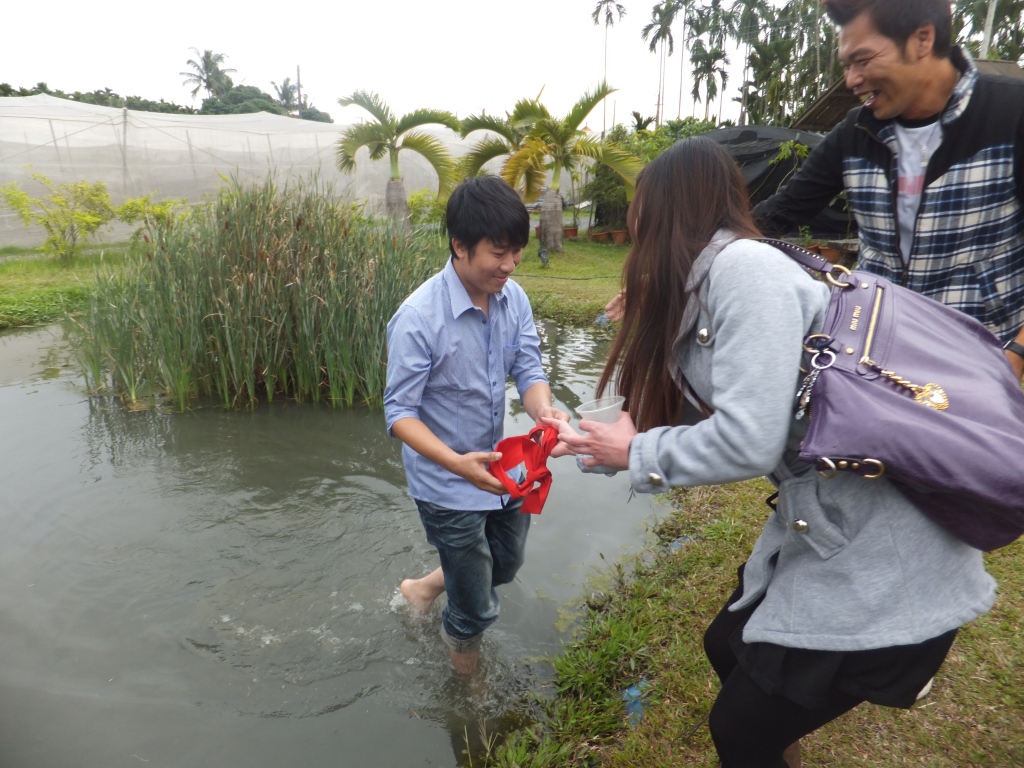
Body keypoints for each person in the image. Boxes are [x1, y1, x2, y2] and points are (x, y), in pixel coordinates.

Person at [547, 137, 996, 767]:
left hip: (883, 544)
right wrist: (613, 437)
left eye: (639, 208)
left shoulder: (745, 272)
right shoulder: (712, 281)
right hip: (829, 519)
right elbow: (715, 401)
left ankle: (861, 677)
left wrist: (638, 453)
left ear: (667, 209)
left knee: (738, 730)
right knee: (726, 647)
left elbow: (749, 438)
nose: (634, 225)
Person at [751, 0, 1024, 381]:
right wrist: (683, 258)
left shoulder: (1011, 113)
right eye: (847, 65)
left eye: (862, 60)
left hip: (977, 371)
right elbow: (775, 216)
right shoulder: (855, 133)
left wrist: (1016, 352)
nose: (851, 80)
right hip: (878, 366)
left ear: (922, 39)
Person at [384, 175, 568, 676]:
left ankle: (422, 588)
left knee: (505, 564)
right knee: (475, 608)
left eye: (517, 253)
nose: (509, 266)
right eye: (499, 253)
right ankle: (470, 701)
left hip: (506, 467)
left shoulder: (514, 298)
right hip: (447, 480)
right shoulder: (418, 318)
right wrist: (457, 465)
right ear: (459, 246)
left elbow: (529, 370)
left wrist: (544, 411)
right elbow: (398, 413)